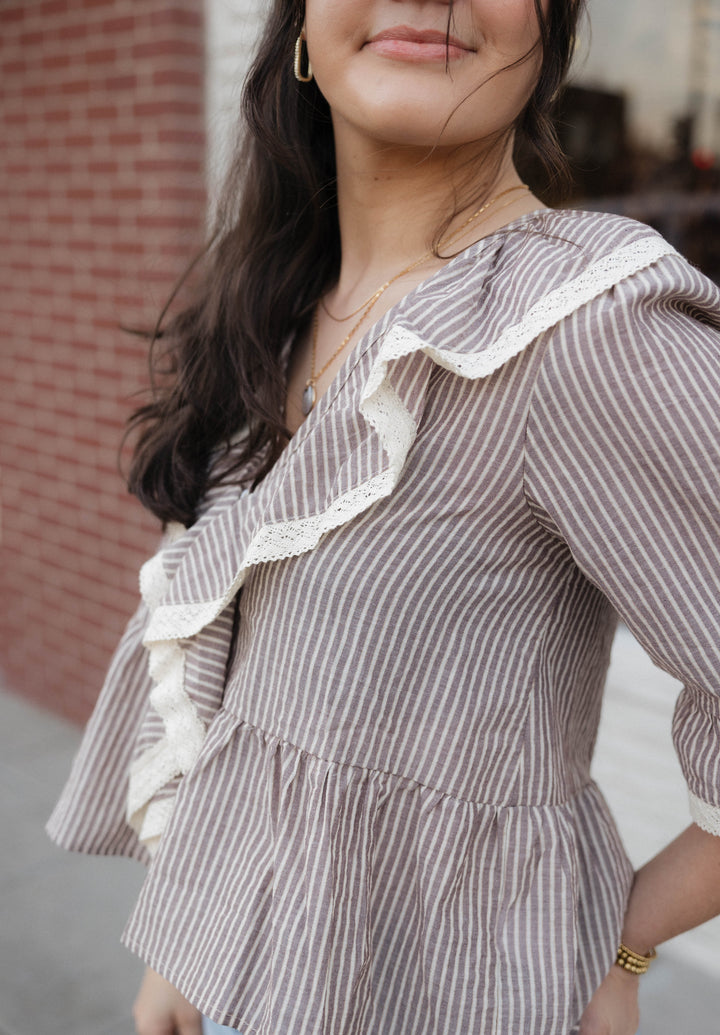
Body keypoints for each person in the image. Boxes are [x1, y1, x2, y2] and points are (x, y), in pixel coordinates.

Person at [47, 1, 720, 1033]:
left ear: (549, 37)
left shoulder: (583, 328)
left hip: (452, 994)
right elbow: (266, 690)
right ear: (301, 34)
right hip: (242, 976)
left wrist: (626, 937)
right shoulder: (280, 298)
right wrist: (193, 944)